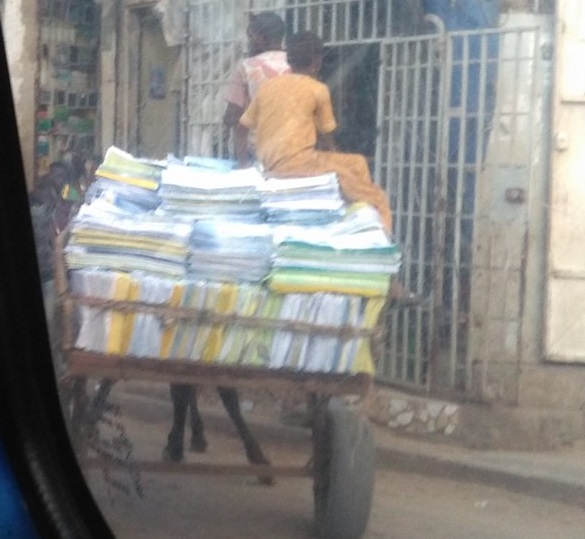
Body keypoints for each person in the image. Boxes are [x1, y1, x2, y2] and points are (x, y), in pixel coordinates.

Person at [238, 30, 392, 234]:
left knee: (357, 162)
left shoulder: (267, 88)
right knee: (377, 197)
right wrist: (338, 168)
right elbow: (328, 135)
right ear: (318, 61)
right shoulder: (318, 89)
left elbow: (241, 128)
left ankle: (357, 215)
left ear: (288, 59)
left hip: (270, 164)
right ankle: (376, 239)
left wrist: (243, 166)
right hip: (301, 164)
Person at [223, 12, 290, 162]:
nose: (248, 42)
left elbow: (232, 115)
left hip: (255, 152)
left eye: (250, 37)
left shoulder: (247, 67)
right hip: (292, 148)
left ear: (262, 38)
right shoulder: (296, 64)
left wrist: (226, 124)